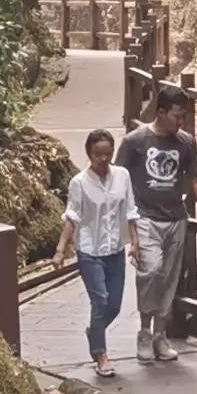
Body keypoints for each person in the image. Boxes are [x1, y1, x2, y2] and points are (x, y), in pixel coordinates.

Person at [116, 82, 197, 366]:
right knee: (151, 271)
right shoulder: (135, 141)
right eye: (176, 116)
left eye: (183, 117)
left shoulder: (186, 143)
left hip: (175, 217)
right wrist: (121, 224)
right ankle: (144, 333)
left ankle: (160, 334)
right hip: (144, 216)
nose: (181, 122)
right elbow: (119, 180)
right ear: (160, 112)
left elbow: (196, 178)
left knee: (170, 277)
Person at [64, 126, 136, 379]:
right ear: (89, 153)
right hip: (89, 250)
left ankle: (95, 331)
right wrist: (60, 249)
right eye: (98, 155)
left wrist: (135, 243)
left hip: (115, 248)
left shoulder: (122, 176)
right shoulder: (79, 183)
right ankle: (101, 354)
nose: (103, 160)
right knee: (100, 300)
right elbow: (72, 216)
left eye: (108, 154)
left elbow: (130, 211)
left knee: (114, 305)